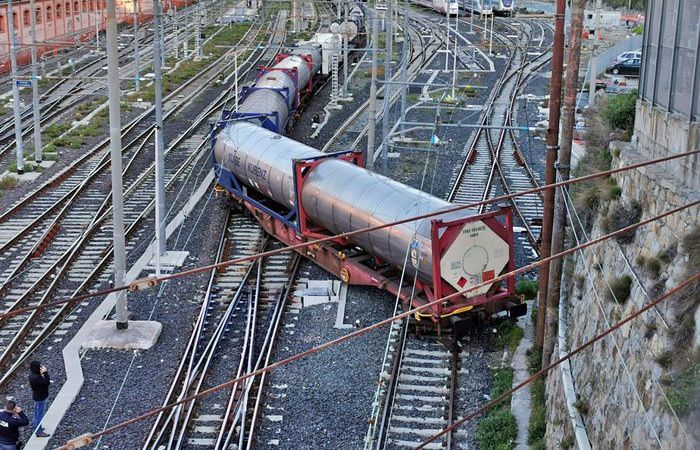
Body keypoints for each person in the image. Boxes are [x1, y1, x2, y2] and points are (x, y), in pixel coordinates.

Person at [28, 361, 50, 438]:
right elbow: (47, 382)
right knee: (40, 414)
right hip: (41, 397)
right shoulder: (37, 378)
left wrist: (41, 373)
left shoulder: (31, 375)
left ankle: (37, 426)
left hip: (36, 396)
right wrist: (45, 373)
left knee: (36, 412)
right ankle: (39, 431)